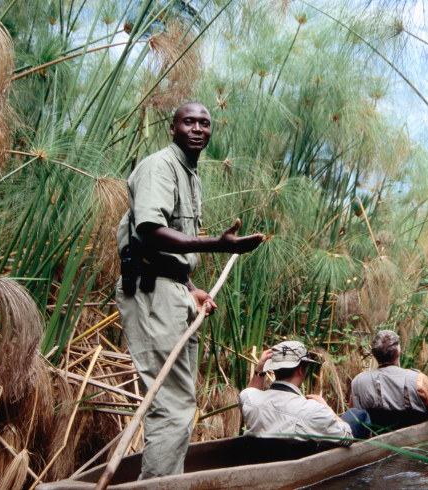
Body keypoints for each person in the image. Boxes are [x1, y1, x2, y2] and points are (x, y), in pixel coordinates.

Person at [115, 102, 264, 480]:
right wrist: (216, 244)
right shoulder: (159, 166)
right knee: (170, 405)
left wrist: (191, 288)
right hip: (151, 292)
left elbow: (168, 250)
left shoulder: (190, 173)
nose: (198, 128)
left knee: (180, 402)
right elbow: (149, 230)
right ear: (173, 128)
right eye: (189, 122)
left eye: (204, 123)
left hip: (173, 290)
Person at [239, 341, 371, 448]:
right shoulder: (313, 410)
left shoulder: (248, 399)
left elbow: (250, 394)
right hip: (295, 468)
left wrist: (259, 371)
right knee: (358, 414)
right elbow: (347, 437)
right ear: (301, 369)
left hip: (263, 460)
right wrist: (330, 411)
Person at [351, 330, 428, 433]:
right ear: (397, 353)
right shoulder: (418, 379)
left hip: (378, 435)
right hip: (414, 436)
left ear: (374, 355)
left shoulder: (358, 381)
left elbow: (355, 416)